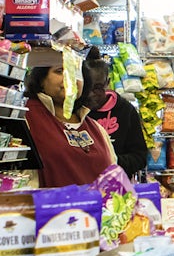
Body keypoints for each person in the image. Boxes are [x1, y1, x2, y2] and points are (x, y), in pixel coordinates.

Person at [24, 58, 117, 187]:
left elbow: (115, 177)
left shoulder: (97, 129)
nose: (70, 78)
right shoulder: (26, 120)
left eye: (75, 72)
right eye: (60, 71)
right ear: (41, 80)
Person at [80, 48, 149, 177]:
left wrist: (110, 161)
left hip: (116, 184)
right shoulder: (75, 111)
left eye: (97, 88)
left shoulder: (126, 111)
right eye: (86, 87)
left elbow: (140, 158)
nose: (90, 94)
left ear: (107, 83)